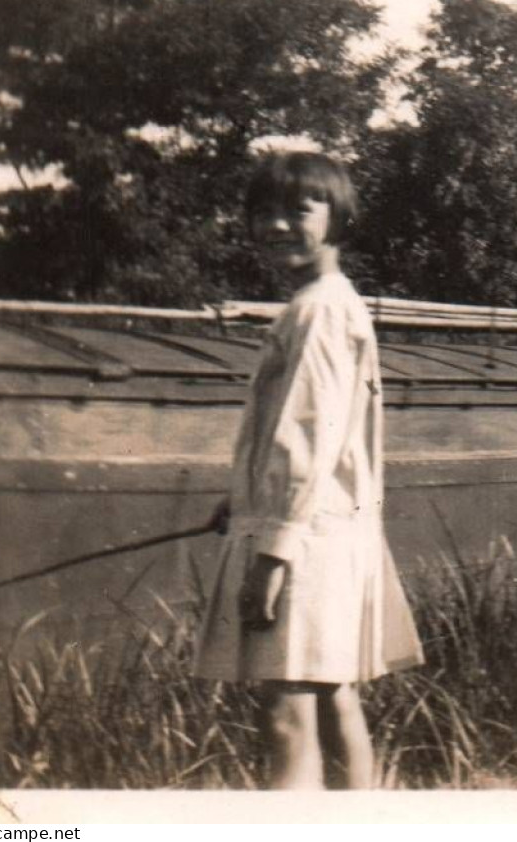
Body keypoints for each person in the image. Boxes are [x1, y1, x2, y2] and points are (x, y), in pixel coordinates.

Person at [194, 151, 424, 787]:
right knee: (329, 696)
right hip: (328, 530)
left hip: (306, 541)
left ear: (338, 216)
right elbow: (308, 437)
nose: (276, 226)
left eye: (298, 210)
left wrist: (271, 553)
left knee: (285, 711)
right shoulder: (333, 302)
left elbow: (308, 435)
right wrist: (242, 497)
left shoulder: (318, 311)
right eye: (262, 213)